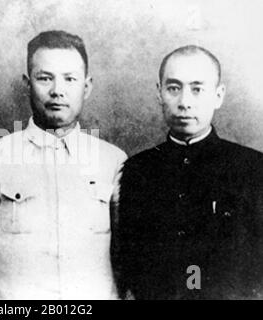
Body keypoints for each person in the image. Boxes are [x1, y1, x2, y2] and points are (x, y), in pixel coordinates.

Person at [0, 30, 127, 299]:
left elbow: (127, 251)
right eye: (45, 78)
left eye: (70, 79)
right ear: (27, 84)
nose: (58, 90)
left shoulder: (113, 161)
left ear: (86, 87)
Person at [112, 45, 263, 299]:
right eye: (173, 88)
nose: (184, 102)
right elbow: (125, 261)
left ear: (218, 95)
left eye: (197, 89)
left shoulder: (253, 168)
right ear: (159, 93)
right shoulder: (137, 170)